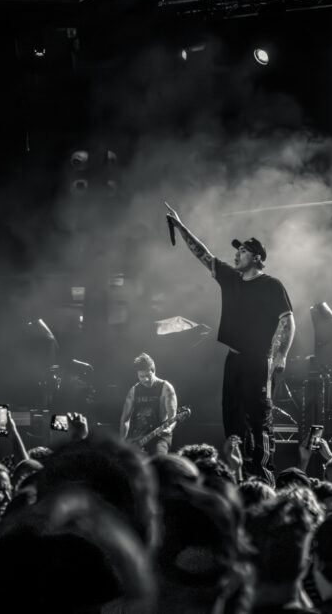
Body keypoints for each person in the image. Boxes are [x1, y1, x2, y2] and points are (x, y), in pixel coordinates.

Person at [165, 203, 295, 485]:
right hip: (233, 360)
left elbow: (288, 321)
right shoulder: (231, 279)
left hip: (257, 360)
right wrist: (181, 226)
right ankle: (238, 478)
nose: (237, 254)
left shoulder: (272, 285)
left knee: (259, 420)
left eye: (243, 251)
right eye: (237, 250)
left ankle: (263, 479)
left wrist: (281, 356)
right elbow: (204, 255)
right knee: (232, 421)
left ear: (257, 257)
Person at [119, 353, 178, 454]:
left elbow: (173, 417)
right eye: (141, 376)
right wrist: (122, 442)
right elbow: (125, 420)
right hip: (138, 437)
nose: (145, 379)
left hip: (159, 436)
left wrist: (168, 428)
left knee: (159, 459)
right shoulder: (134, 390)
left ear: (153, 371)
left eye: (147, 376)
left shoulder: (166, 388)